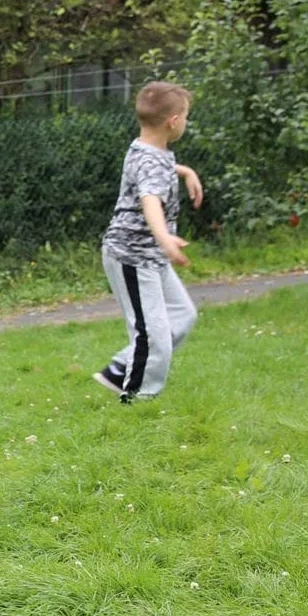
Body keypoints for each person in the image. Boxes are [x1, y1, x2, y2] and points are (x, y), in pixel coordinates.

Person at [92, 82, 204, 402]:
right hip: (132, 256)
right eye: (185, 116)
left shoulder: (146, 148)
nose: (185, 122)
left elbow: (153, 168)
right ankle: (138, 399)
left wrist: (185, 172)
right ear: (173, 121)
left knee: (183, 316)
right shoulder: (152, 160)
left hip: (150, 256)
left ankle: (120, 368)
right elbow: (150, 200)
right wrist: (165, 238)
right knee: (153, 336)